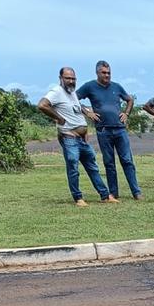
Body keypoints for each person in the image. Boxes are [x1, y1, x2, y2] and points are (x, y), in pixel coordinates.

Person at [38, 67, 111, 207]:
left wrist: (86, 115)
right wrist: (59, 118)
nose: (71, 81)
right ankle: (78, 198)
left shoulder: (72, 93)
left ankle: (105, 196)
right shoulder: (56, 92)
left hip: (82, 139)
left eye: (73, 79)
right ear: (60, 78)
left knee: (93, 168)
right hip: (69, 138)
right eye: (68, 78)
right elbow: (42, 105)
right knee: (73, 168)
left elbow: (77, 107)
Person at [77, 61, 142, 200]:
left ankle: (136, 192)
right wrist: (87, 112)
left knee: (127, 161)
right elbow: (74, 99)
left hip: (120, 129)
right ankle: (113, 192)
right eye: (104, 73)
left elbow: (129, 100)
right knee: (109, 163)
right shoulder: (89, 86)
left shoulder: (117, 87)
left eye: (109, 73)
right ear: (97, 73)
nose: (107, 75)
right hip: (103, 130)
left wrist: (126, 113)